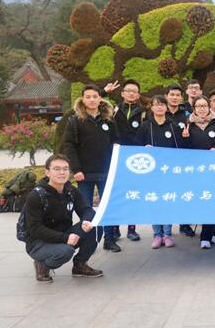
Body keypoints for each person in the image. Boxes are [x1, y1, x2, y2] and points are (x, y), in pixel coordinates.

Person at [25, 154, 102, 283]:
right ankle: (42, 264)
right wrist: (65, 238)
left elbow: (87, 209)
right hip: (39, 242)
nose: (62, 172)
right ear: (47, 172)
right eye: (57, 169)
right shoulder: (36, 196)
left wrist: (86, 221)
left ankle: (80, 266)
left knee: (95, 226)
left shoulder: (71, 191)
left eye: (65, 169)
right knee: (66, 251)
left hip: (64, 235)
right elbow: (35, 229)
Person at [64, 85, 121, 252]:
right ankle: (87, 241)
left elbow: (116, 140)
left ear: (100, 98)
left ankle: (109, 239)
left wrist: (115, 158)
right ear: (82, 99)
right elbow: (69, 146)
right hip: (84, 173)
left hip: (106, 171)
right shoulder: (75, 120)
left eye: (95, 96)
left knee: (107, 207)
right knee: (86, 209)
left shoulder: (108, 119)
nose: (92, 100)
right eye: (88, 97)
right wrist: (76, 169)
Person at [136, 95, 190, 249]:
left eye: (162, 105)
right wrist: (144, 149)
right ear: (151, 107)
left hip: (169, 172)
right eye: (156, 104)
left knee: (167, 201)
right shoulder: (145, 126)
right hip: (151, 172)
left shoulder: (173, 126)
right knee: (154, 201)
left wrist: (185, 137)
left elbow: (181, 148)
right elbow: (137, 146)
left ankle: (167, 234)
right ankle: (157, 235)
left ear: (166, 107)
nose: (159, 107)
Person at [181, 95, 215, 249]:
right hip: (197, 171)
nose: (202, 109)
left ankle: (206, 235)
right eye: (198, 106)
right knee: (203, 200)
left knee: (212, 200)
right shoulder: (188, 125)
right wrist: (185, 138)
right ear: (194, 108)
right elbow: (183, 151)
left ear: (208, 107)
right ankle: (211, 231)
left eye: (204, 106)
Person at [102, 79, 146, 242]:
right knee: (117, 193)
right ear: (122, 93)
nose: (131, 93)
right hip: (116, 155)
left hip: (136, 157)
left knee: (133, 193)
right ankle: (115, 228)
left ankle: (132, 229)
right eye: (128, 90)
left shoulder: (143, 112)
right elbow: (92, 103)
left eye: (134, 91)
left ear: (138, 95)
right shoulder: (113, 109)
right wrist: (104, 92)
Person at [165, 84, 196, 238]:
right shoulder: (160, 112)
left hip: (183, 160)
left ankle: (185, 224)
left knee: (184, 193)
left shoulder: (187, 115)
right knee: (167, 194)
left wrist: (187, 136)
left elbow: (193, 136)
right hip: (164, 161)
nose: (175, 97)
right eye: (172, 94)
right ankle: (166, 228)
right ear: (166, 96)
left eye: (178, 95)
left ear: (181, 97)